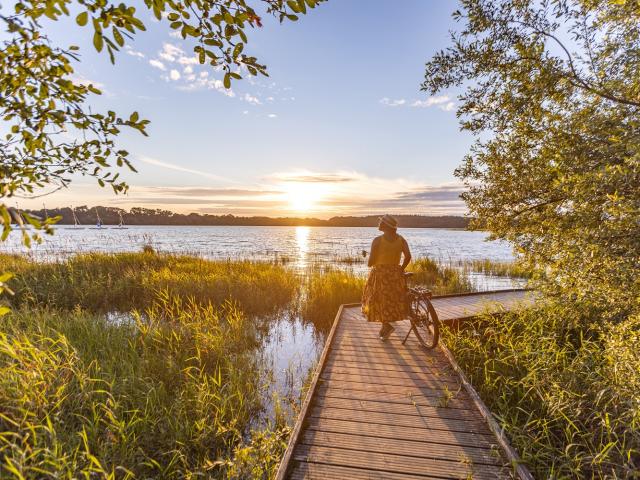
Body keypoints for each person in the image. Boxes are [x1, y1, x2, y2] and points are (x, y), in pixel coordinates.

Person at [362, 214, 412, 340]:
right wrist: (400, 269)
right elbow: (408, 256)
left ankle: (386, 327)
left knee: (379, 300)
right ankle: (385, 327)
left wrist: (371, 258)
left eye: (381, 223)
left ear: (386, 226)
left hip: (381, 273)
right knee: (391, 299)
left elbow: (370, 263)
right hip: (395, 273)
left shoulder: (378, 240)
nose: (378, 224)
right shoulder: (401, 239)